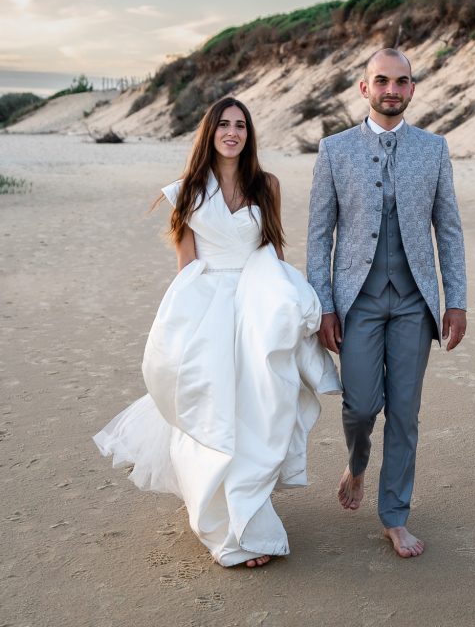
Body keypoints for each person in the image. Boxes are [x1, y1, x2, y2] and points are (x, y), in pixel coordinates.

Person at [94, 96, 339, 568]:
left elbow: (273, 253)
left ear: (249, 135)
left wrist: (288, 311)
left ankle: (250, 517)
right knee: (214, 415)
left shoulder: (266, 185)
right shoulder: (186, 191)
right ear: (209, 132)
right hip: (209, 315)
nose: (232, 132)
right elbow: (187, 268)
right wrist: (179, 335)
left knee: (259, 413)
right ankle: (226, 529)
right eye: (223, 125)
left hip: (256, 311)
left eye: (241, 125)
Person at [306, 48, 467, 559]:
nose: (391, 89)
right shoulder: (334, 151)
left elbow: (449, 231)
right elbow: (318, 237)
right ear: (364, 88)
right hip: (358, 301)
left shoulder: (434, 149)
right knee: (360, 406)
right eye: (382, 80)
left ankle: (394, 516)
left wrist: (455, 300)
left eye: (401, 81)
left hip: (415, 303)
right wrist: (325, 306)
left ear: (413, 89)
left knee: (404, 412)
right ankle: (357, 461)